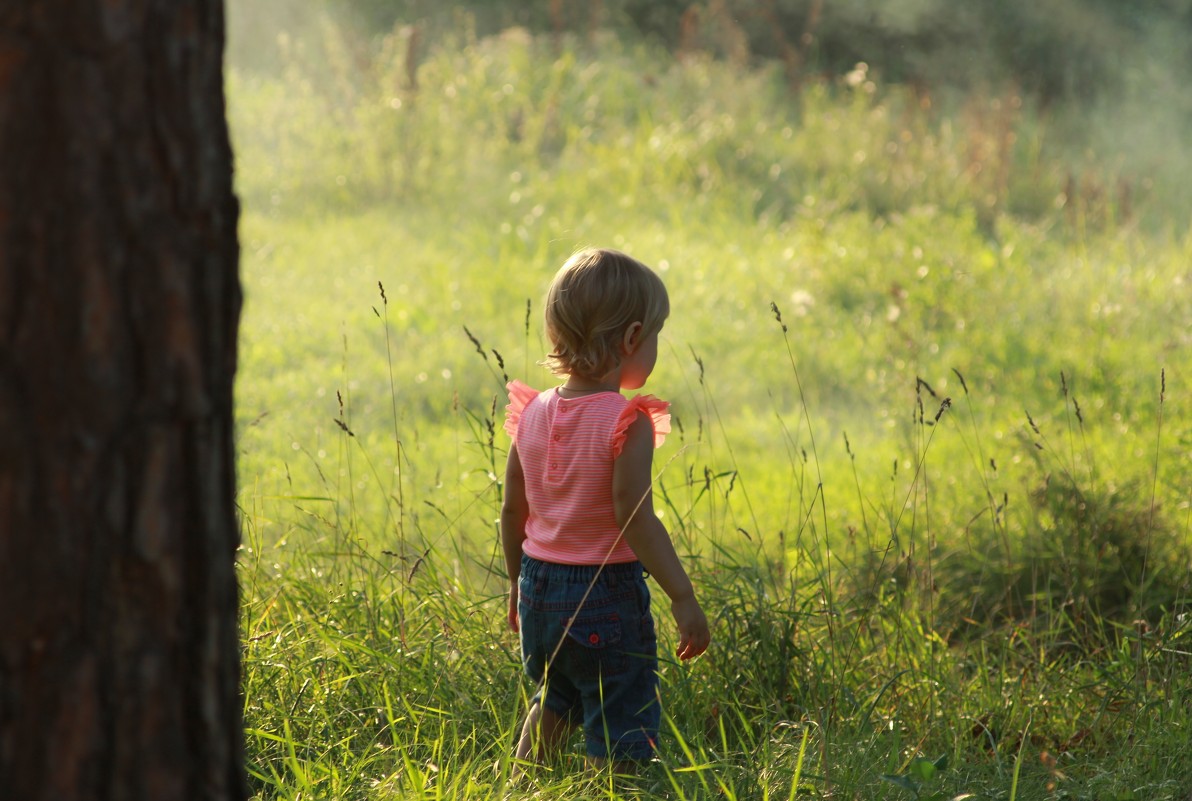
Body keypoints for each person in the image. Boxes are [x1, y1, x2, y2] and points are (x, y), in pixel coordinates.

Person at [500, 248, 711, 771]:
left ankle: (523, 782)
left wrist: (514, 584)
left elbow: (511, 511)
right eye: (657, 334)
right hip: (604, 597)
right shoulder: (626, 420)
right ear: (633, 337)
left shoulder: (532, 413)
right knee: (622, 716)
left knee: (557, 697)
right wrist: (682, 597)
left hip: (537, 591)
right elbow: (634, 516)